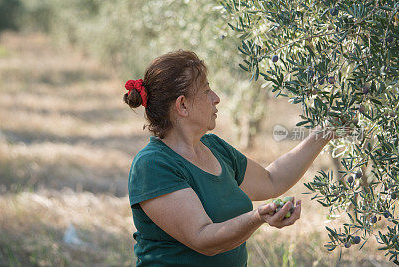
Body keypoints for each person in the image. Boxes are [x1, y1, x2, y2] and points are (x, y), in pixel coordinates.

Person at [124, 50, 335, 266]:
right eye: (206, 90)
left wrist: (326, 131)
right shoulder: (153, 165)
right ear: (183, 105)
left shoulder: (215, 148)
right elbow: (203, 238)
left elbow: (272, 180)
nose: (216, 98)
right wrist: (258, 217)